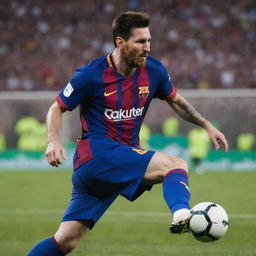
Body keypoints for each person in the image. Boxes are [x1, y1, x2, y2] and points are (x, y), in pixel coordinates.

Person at [27, 11, 228, 255]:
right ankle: (182, 215)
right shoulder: (91, 75)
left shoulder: (153, 71)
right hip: (98, 156)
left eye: (149, 41)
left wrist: (205, 124)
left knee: (66, 241)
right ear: (120, 42)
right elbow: (57, 107)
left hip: (106, 165)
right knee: (176, 165)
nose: (147, 47)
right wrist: (53, 139)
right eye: (141, 41)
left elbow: (175, 100)